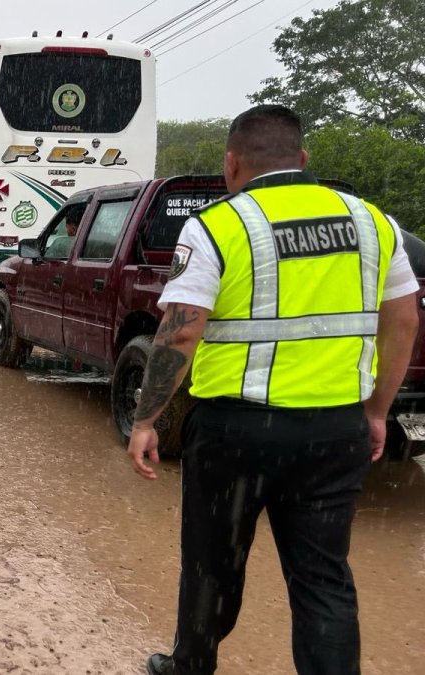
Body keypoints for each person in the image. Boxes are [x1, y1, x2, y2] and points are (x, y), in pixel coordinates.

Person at [129, 104, 420, 675]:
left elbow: (181, 329)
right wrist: (378, 411)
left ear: (232, 163)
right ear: (304, 159)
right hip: (337, 431)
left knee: (213, 564)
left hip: (237, 434)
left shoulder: (219, 224)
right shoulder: (372, 221)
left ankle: (190, 666)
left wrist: (146, 419)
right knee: (323, 580)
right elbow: (405, 319)